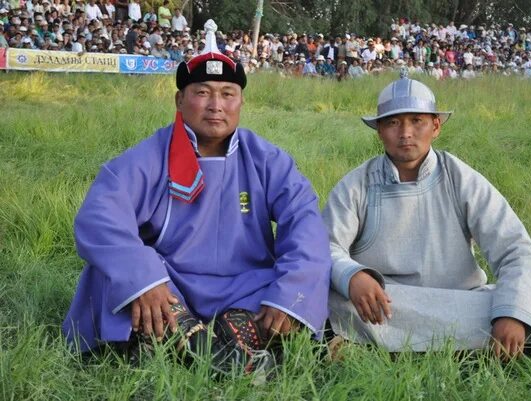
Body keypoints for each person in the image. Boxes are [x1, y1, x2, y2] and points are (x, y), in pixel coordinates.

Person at [63, 20, 331, 372]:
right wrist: (145, 278)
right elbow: (100, 217)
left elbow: (305, 224)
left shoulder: (268, 160)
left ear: (241, 102)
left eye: (227, 93)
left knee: (297, 285)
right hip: (169, 285)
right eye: (202, 92)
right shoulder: (147, 158)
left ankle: (182, 345)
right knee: (112, 274)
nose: (215, 105)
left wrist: (290, 295)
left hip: (245, 288)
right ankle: (223, 351)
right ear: (180, 99)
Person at [323, 75, 531, 359]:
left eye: (417, 120)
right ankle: (457, 350)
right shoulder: (356, 184)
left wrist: (512, 314)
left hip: (455, 301)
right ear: (379, 130)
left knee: (512, 308)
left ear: (436, 126)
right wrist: (353, 277)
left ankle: (371, 350)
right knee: (330, 298)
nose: (405, 133)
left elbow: (516, 249)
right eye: (393, 122)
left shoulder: (461, 179)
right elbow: (326, 246)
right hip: (385, 304)